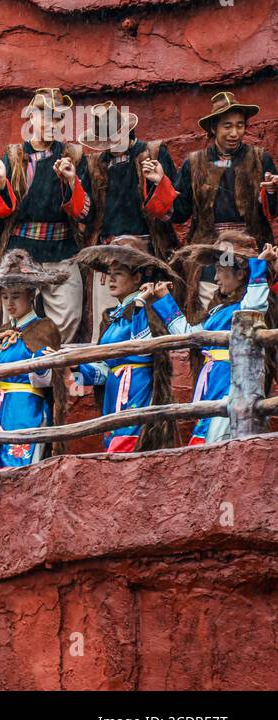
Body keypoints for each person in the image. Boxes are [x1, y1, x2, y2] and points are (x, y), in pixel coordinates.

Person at [0, 88, 91, 342]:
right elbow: (0, 210)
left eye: (59, 118)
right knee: (14, 322)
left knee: (67, 324)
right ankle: (19, 376)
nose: (52, 124)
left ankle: (52, 376)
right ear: (31, 118)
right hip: (21, 254)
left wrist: (72, 181)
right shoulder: (14, 156)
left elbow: (83, 212)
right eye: (46, 117)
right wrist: (2, 180)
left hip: (62, 253)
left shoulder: (74, 156)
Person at [143, 91, 275, 312]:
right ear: (213, 128)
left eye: (240, 125)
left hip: (251, 248)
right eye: (227, 126)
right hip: (210, 250)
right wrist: (161, 183)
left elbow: (273, 210)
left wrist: (271, 192)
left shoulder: (260, 159)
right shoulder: (194, 164)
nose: (235, 133)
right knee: (209, 307)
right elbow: (180, 212)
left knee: (254, 307)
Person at [149, 234, 277, 444]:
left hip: (231, 380)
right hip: (212, 381)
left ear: (240, 273)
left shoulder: (247, 306)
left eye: (220, 270)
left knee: (221, 435)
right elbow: (189, 334)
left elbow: (256, 302)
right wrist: (164, 299)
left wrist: (259, 264)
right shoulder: (219, 311)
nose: (215, 279)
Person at [78, 101, 178, 340]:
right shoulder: (95, 164)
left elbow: (175, 209)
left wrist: (159, 181)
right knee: (106, 319)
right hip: (107, 253)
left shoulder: (152, 153)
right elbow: (87, 214)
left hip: (148, 254)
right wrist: (72, 184)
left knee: (150, 320)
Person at [72, 237, 179, 452]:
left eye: (118, 274)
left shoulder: (147, 308)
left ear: (137, 277)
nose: (111, 280)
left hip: (138, 385)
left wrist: (140, 303)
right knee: (113, 442)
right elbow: (102, 370)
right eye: (110, 274)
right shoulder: (111, 318)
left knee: (130, 442)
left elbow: (145, 348)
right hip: (113, 388)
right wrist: (76, 369)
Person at [0, 251, 67, 469]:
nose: (9, 303)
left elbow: (47, 380)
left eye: (16, 296)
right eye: (5, 297)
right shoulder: (2, 333)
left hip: (27, 407)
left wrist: (40, 364)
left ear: (31, 296)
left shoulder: (44, 328)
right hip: (1, 409)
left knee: (23, 467)